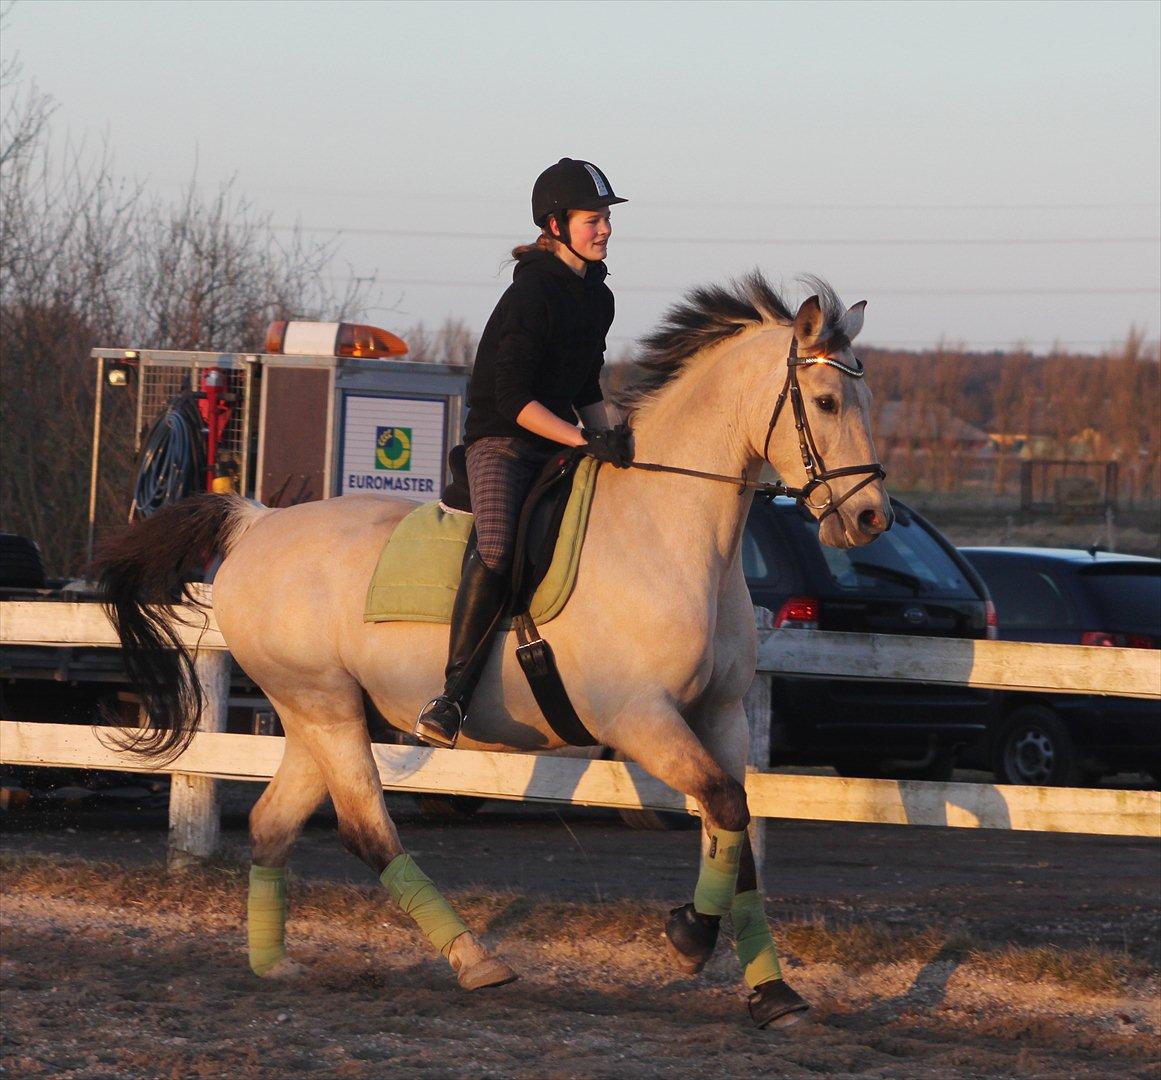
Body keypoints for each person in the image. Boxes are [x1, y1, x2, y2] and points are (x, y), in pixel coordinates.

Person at [414, 158, 634, 749]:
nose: (606, 229)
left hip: (558, 441)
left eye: (607, 218)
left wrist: (614, 437)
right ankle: (452, 696)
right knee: (498, 548)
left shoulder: (597, 297)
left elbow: (586, 386)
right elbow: (513, 401)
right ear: (557, 224)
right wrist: (584, 440)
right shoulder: (532, 293)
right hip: (503, 442)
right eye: (594, 219)